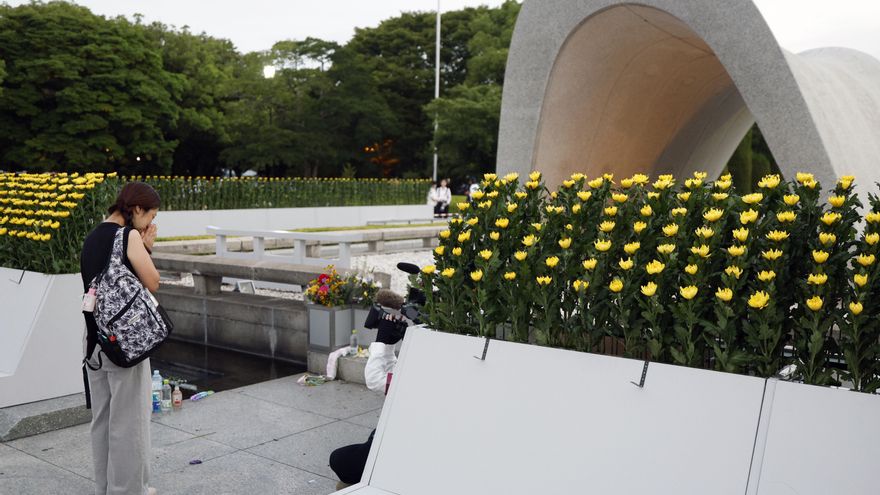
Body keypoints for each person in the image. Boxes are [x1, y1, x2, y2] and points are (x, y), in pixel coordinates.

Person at [80, 182, 161, 495]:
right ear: (136, 209)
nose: (150, 224)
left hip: (92, 339)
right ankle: (128, 490)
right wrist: (147, 246)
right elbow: (152, 281)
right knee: (130, 423)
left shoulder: (93, 235)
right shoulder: (127, 236)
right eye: (149, 215)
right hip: (124, 341)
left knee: (102, 420)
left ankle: (105, 487)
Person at [329, 289, 407, 490]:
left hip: (392, 443)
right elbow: (392, 379)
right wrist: (389, 346)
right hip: (393, 437)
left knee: (339, 461)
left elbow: (374, 381)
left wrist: (381, 341)